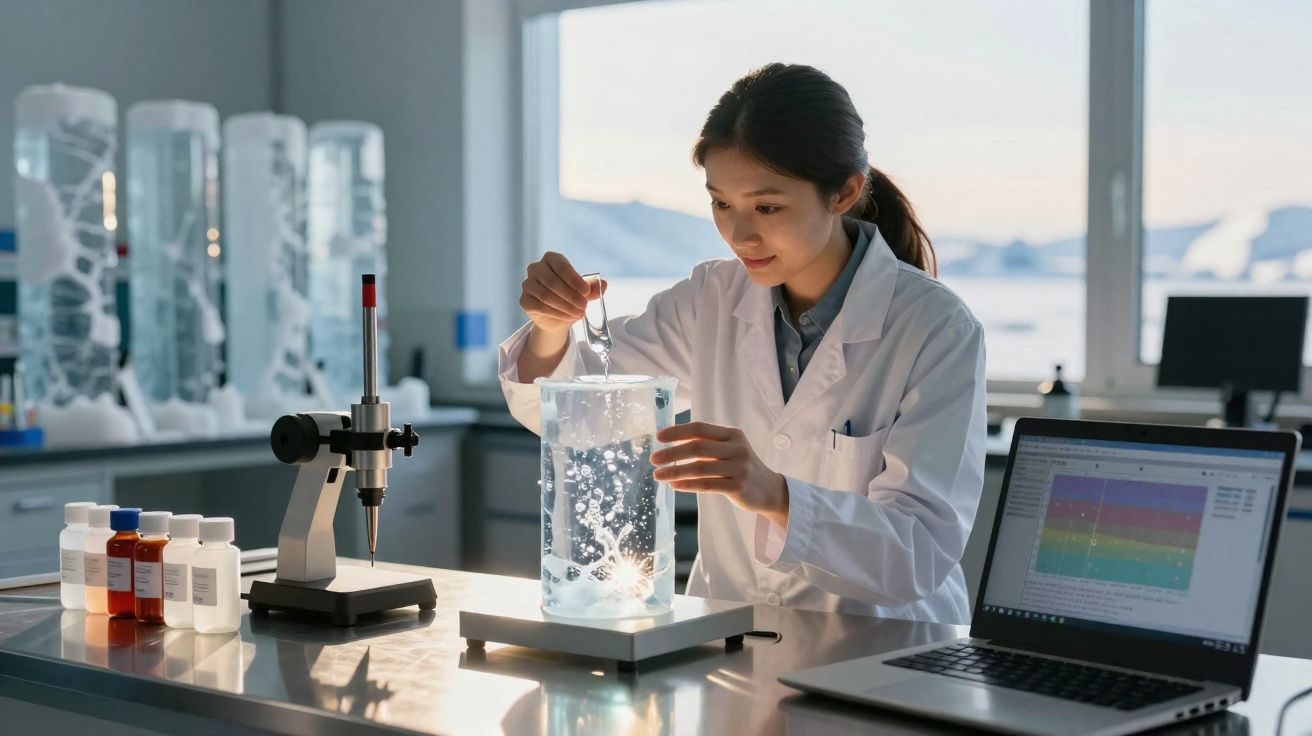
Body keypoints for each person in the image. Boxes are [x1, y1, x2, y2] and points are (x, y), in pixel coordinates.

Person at [499, 63, 986, 624]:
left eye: (767, 207)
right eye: (721, 203)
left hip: (887, 655)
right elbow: (577, 411)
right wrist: (551, 326)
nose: (740, 235)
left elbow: (918, 555)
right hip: (734, 640)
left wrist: (775, 493)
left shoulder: (934, 327)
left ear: (844, 192)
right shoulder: (710, 297)